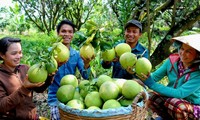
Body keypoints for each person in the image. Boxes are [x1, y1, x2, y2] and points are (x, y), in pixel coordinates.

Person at [139, 34, 200, 120]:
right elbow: (154, 77)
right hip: (171, 101)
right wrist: (139, 78)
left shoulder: (198, 73)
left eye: (188, 52)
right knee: (150, 96)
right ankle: (167, 117)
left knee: (175, 104)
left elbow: (180, 93)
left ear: (197, 55)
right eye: (182, 48)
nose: (182, 53)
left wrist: (152, 84)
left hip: (192, 107)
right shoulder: (172, 62)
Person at [47, 19, 94, 120]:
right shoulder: (50, 53)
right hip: (55, 97)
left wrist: (86, 64)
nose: (66, 34)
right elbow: (44, 79)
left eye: (70, 32)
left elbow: (86, 76)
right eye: (63, 31)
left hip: (72, 96)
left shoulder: (76, 54)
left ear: (73, 34)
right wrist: (56, 66)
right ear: (58, 33)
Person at [0, 37, 54, 120]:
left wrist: (49, 77)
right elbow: (2, 106)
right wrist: (24, 88)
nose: (19, 56)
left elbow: (38, 89)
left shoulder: (25, 69)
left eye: (20, 52)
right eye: (14, 53)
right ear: (2, 55)